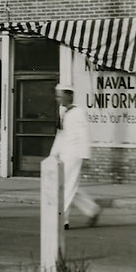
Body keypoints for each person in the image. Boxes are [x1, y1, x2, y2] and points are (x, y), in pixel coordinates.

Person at [49, 84, 101, 230]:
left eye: (60, 95)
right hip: (64, 153)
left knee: (67, 186)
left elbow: (84, 135)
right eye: (57, 95)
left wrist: (85, 156)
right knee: (69, 185)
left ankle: (62, 219)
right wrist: (53, 154)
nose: (57, 98)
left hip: (74, 154)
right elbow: (60, 134)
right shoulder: (62, 111)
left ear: (69, 95)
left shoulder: (79, 112)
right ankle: (92, 209)